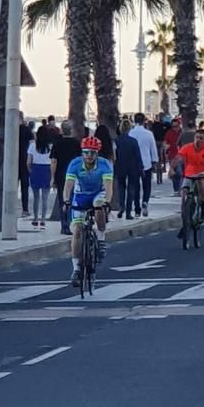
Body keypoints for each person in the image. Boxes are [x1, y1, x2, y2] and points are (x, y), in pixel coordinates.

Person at [63, 136, 113, 287]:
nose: (89, 156)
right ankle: (76, 268)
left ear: (97, 153)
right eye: (86, 152)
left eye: (92, 153)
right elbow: (68, 186)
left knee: (99, 206)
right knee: (77, 231)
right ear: (82, 153)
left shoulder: (104, 165)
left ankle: (101, 237)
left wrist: (108, 203)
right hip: (80, 195)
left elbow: (109, 186)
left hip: (98, 193)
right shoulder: (75, 164)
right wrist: (66, 200)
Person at [171, 129, 204, 233]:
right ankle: (185, 215)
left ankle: (203, 208)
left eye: (201, 138)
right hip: (190, 173)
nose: (198, 140)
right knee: (183, 192)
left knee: (200, 183)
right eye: (197, 137)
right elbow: (178, 158)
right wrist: (171, 169)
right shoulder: (187, 147)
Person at [50, 120, 81, 235]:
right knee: (71, 199)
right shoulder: (76, 143)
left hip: (60, 175)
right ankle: (68, 221)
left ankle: (64, 224)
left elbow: (53, 161)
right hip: (72, 176)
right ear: (71, 130)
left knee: (62, 200)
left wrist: (52, 177)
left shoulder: (57, 143)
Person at [129, 113, 158, 217]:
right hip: (146, 163)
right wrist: (155, 160)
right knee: (147, 186)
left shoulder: (131, 133)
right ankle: (145, 201)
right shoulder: (148, 134)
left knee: (135, 186)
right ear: (144, 121)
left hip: (134, 164)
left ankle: (137, 209)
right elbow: (153, 148)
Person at [114, 119, 143, 219]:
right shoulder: (133, 141)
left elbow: (114, 156)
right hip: (132, 168)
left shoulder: (116, 141)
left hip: (120, 167)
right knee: (131, 190)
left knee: (121, 188)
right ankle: (128, 212)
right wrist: (141, 169)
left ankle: (121, 206)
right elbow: (138, 156)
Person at [27, 125, 52, 229]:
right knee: (45, 197)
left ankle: (35, 218)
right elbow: (53, 161)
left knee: (36, 197)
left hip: (36, 170)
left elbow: (28, 162)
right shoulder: (51, 146)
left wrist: (30, 171)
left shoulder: (32, 146)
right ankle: (43, 220)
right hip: (47, 170)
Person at [18, 112, 34, 217]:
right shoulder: (27, 130)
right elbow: (33, 145)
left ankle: (10, 208)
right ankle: (25, 209)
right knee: (25, 187)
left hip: (13, 161)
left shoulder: (9, 129)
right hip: (24, 160)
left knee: (12, 187)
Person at [164, 118, 182, 195]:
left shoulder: (182, 132)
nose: (175, 128)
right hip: (172, 155)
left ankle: (180, 189)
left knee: (180, 172)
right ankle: (176, 189)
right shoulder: (169, 132)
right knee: (174, 173)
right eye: (173, 126)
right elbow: (166, 143)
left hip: (181, 155)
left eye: (176, 126)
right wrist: (166, 151)